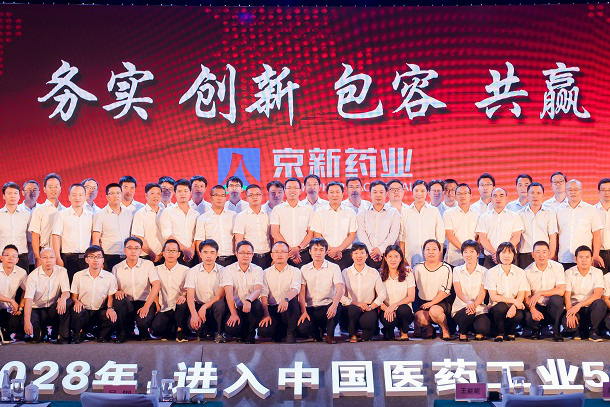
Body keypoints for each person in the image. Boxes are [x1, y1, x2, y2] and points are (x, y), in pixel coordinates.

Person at [112, 237, 160, 342]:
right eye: (130, 248)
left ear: (140, 251)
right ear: (124, 250)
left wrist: (147, 306)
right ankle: (123, 333)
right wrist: (117, 291)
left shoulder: (148, 265)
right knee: (119, 300)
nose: (133, 251)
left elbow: (156, 285)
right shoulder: (116, 268)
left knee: (142, 322)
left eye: (136, 248)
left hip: (144, 302)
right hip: (127, 303)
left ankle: (144, 332)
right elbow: (113, 289)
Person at [297, 238, 344, 344]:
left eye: (321, 249)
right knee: (303, 328)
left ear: (326, 252)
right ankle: (316, 334)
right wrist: (303, 311)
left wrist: (334, 305)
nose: (318, 252)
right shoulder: (304, 268)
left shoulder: (334, 267)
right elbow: (302, 292)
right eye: (315, 249)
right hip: (311, 307)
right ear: (310, 251)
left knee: (336, 308)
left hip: (327, 306)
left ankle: (330, 335)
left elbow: (340, 288)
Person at [70, 245, 118, 343]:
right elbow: (74, 296)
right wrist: (77, 302)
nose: (95, 259)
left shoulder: (109, 277)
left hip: (100, 311)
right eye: (92, 256)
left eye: (98, 256)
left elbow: (110, 297)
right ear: (86, 260)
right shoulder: (78, 275)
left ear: (103, 260)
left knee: (112, 317)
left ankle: (100, 334)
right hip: (84, 310)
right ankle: (79, 333)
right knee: (77, 312)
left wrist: (110, 308)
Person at [23, 248, 72, 344]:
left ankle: (63, 336)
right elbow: (28, 300)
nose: (48, 260)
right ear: (40, 259)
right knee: (37, 338)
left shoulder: (62, 271)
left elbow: (66, 292)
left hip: (53, 308)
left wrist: (63, 298)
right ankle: (42, 331)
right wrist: (27, 322)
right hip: (37, 308)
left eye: (51, 257)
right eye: (45, 257)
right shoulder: (33, 276)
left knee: (67, 302)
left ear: (55, 259)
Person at [341, 243, 387, 342]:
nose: (359, 256)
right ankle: (352, 333)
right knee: (353, 310)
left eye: (362, 253)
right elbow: (339, 295)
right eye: (356, 253)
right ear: (351, 255)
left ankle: (367, 332)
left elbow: (382, 293)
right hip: (351, 307)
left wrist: (371, 306)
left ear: (367, 255)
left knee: (367, 332)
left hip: (368, 307)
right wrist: (356, 304)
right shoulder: (345, 272)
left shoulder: (373, 272)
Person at [258, 241, 301, 343]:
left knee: (292, 300)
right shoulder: (265, 273)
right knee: (264, 331)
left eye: (283, 252)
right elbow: (263, 294)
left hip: (288, 309)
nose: (279, 254)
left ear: (288, 254)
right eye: (276, 252)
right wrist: (266, 314)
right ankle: (278, 332)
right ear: (272, 255)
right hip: (273, 309)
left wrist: (286, 299)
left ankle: (291, 332)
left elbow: (295, 289)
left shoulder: (295, 271)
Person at [484, 242, 528, 342]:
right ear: (498, 255)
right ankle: (499, 333)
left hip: (514, 305)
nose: (506, 256)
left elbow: (521, 295)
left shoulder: (520, 272)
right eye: (503, 252)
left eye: (510, 253)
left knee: (518, 314)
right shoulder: (491, 272)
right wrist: (514, 301)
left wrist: (514, 306)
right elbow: (494, 297)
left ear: (514, 255)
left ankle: (511, 332)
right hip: (497, 307)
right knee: (501, 306)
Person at [185, 239, 227, 343]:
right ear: (200, 254)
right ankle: (203, 331)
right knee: (192, 325)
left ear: (217, 254)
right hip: (199, 306)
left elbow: (220, 295)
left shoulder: (223, 271)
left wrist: (205, 306)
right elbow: (190, 296)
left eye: (212, 252)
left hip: (215, 307)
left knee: (220, 304)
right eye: (205, 252)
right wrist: (194, 314)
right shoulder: (193, 271)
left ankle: (219, 332)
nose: (209, 256)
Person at [222, 241, 264, 343]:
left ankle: (250, 333)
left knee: (257, 305)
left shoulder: (258, 270)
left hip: (251, 306)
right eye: (242, 253)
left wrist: (248, 300)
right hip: (236, 307)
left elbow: (258, 289)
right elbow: (229, 294)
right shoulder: (228, 270)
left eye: (248, 253)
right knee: (231, 329)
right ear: (236, 254)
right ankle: (240, 333)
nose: (246, 256)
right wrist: (233, 314)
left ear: (252, 254)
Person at [523, 241, 566, 341]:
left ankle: (556, 330)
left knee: (557, 299)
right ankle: (536, 329)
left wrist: (541, 293)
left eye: (544, 252)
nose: (541, 255)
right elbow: (526, 296)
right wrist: (533, 310)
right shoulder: (527, 271)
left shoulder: (558, 267)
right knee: (528, 317)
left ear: (549, 253)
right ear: (533, 254)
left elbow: (561, 291)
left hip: (551, 306)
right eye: (538, 252)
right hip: (536, 305)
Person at [556, 179, 603, 270]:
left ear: (581, 192)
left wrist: (595, 255)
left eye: (576, 190)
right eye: (570, 190)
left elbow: (597, 234)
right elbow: (556, 235)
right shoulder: (558, 210)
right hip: (564, 258)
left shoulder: (590, 209)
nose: (573, 192)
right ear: (566, 191)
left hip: (584, 259)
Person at [310, 181, 358, 270]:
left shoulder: (350, 212)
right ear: (327, 195)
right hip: (325, 253)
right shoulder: (319, 212)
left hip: (345, 254)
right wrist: (330, 250)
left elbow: (352, 235)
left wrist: (338, 249)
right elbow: (317, 234)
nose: (335, 195)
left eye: (337, 192)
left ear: (342, 194)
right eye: (331, 192)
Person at [562, 245, 606, 342]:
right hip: (573, 308)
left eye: (587, 257)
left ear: (591, 259)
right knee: (569, 325)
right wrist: (570, 314)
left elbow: (597, 295)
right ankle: (576, 331)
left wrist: (580, 305)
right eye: (581, 257)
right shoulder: (568, 273)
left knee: (600, 303)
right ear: (575, 259)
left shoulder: (597, 272)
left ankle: (593, 332)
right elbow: (567, 297)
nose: (584, 260)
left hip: (590, 308)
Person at [51, 184, 93, 282]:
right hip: (68, 257)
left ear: (85, 197)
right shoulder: (61, 214)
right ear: (69, 197)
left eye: (80, 195)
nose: (77, 198)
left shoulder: (91, 215)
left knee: (85, 284)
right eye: (74, 195)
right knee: (68, 285)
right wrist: (57, 257)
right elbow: (56, 236)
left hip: (86, 258)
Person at [413, 239, 453, 340]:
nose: (431, 252)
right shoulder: (417, 268)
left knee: (434, 311)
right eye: (428, 249)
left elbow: (445, 291)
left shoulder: (446, 268)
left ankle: (445, 329)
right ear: (424, 252)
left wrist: (431, 303)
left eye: (434, 249)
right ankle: (429, 328)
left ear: (439, 251)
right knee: (419, 318)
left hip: (441, 302)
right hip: (423, 302)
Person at [151, 239, 190, 342]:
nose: (171, 253)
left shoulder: (186, 270)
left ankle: (180, 330)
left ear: (178, 254)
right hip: (165, 307)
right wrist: (156, 304)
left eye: (174, 251)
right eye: (168, 250)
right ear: (163, 253)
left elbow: (190, 290)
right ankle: (170, 329)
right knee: (156, 327)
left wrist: (184, 296)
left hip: (181, 307)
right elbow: (153, 289)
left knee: (181, 303)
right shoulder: (156, 270)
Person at [270, 178, 314, 267]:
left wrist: (298, 248)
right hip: (283, 254)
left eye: (295, 188)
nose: (292, 190)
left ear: (300, 190)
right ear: (285, 191)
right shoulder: (277, 209)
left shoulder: (308, 209)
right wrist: (290, 250)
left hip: (303, 254)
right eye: (289, 188)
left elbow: (311, 233)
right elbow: (275, 232)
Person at [451, 240, 490, 341]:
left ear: (478, 254)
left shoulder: (484, 271)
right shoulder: (457, 270)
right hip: (461, 308)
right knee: (468, 313)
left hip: (478, 308)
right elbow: (458, 291)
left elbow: (482, 292)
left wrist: (474, 305)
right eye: (465, 252)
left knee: (483, 328)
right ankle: (462, 332)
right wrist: (468, 303)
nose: (468, 255)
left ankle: (473, 329)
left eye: (472, 251)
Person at [399, 180, 445, 266]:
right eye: (416, 191)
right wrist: (402, 258)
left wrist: (439, 257)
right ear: (412, 192)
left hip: (431, 257)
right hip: (410, 257)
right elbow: (402, 237)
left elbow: (440, 236)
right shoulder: (405, 211)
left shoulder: (434, 211)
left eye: (422, 191)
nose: (419, 193)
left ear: (427, 192)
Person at [357, 180, 400, 269]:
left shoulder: (393, 212)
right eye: (375, 192)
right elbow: (361, 233)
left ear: (386, 194)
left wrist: (380, 250)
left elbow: (393, 234)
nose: (378, 195)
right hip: (367, 255)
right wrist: (371, 251)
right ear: (370, 194)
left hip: (387, 255)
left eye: (381, 192)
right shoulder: (362, 212)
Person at [475, 188, 523, 268]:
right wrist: (494, 253)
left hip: (509, 257)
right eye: (495, 196)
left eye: (501, 196)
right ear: (491, 198)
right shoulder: (484, 217)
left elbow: (516, 237)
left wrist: (503, 253)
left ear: (506, 198)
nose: (498, 198)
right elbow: (483, 238)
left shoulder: (514, 216)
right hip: (490, 258)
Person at [92, 183, 133, 272]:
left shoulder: (128, 214)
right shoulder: (100, 214)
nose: (116, 196)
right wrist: (99, 259)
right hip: (108, 257)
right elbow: (95, 239)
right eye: (112, 193)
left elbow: (131, 236)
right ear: (107, 197)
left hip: (126, 256)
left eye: (118, 193)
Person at [159, 178, 199, 267]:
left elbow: (197, 235)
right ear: (175, 193)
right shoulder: (167, 212)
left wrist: (192, 250)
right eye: (179, 191)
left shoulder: (196, 213)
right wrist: (185, 250)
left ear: (190, 193)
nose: (183, 194)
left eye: (185, 191)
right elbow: (167, 234)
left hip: (193, 254)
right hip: (174, 254)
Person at [379, 245, 415, 341]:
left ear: (401, 258)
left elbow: (411, 297)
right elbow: (378, 299)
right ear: (385, 258)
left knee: (403, 310)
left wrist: (394, 306)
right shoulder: (379, 275)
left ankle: (404, 330)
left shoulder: (408, 273)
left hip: (403, 311)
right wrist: (388, 309)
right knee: (389, 331)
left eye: (396, 256)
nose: (393, 260)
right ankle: (388, 330)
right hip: (387, 310)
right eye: (390, 256)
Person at [195, 185, 237, 267]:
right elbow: (199, 241)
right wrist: (201, 261)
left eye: (222, 195)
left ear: (226, 198)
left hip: (232, 260)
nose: (219, 198)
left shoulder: (234, 216)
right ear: (210, 198)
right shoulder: (202, 218)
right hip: (211, 260)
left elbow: (237, 238)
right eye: (216, 195)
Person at [29, 173, 65, 268]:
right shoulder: (39, 211)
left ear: (60, 189)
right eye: (50, 187)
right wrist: (37, 258)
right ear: (45, 189)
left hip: (63, 253)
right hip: (45, 253)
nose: (53, 189)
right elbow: (35, 236)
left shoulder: (65, 210)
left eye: (56, 186)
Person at [233, 184, 272, 269]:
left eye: (257, 194)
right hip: (250, 258)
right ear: (246, 198)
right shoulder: (241, 216)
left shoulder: (269, 214)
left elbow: (272, 236)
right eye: (251, 195)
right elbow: (238, 241)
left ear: (262, 196)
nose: (255, 197)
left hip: (268, 256)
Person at [444, 183, 479, 267]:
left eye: (465, 193)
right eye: (459, 194)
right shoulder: (448, 213)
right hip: (453, 259)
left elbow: (479, 236)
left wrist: (472, 251)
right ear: (455, 196)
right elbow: (449, 235)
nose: (462, 196)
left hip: (472, 259)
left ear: (471, 196)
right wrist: (465, 250)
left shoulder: (477, 215)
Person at [0, 182, 32, 271]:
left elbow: (30, 238)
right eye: (9, 193)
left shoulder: (26, 214)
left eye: (15, 193)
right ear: (3, 196)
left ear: (19, 196)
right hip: (2, 258)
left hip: (21, 257)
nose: (13, 196)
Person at [0, 245, 27, 342]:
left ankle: (6, 332)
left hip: (9, 309)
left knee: (14, 323)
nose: (10, 258)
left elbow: (27, 290)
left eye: (14, 256)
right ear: (1, 258)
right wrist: (11, 300)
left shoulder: (21, 272)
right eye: (7, 255)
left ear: (17, 260)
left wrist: (20, 307)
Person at [131, 183, 164, 263]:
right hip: (146, 257)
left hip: (163, 256)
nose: (156, 196)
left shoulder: (165, 212)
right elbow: (139, 237)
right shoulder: (140, 214)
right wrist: (152, 254)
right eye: (152, 193)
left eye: (158, 193)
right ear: (146, 195)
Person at [19, 180, 40, 269]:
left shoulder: (42, 209)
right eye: (28, 190)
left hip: (40, 253)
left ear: (39, 192)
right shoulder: (17, 210)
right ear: (23, 192)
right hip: (21, 254)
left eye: (35, 190)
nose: (32, 192)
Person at [595, 178, 610, 274]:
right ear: (598, 192)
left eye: (609, 190)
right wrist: (594, 255)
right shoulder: (592, 211)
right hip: (599, 254)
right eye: (603, 190)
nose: (607, 193)